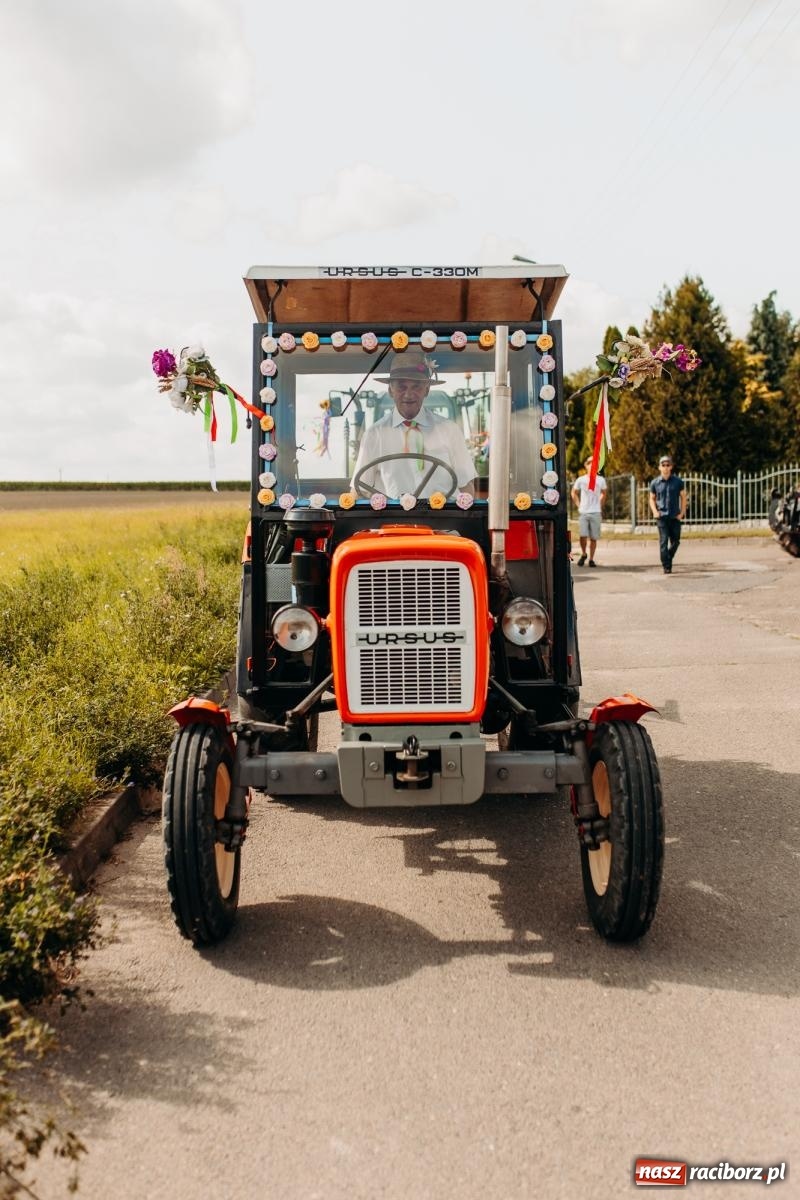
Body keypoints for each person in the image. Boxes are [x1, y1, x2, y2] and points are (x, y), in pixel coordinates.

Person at [351, 350, 476, 499]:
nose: (409, 394)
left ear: (427, 390)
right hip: (392, 520)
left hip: (444, 519)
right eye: (401, 387)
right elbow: (360, 490)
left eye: (416, 386)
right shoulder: (374, 434)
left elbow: (466, 488)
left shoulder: (450, 430)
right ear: (390, 390)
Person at [649, 454, 686, 574]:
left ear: (671, 467)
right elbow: (651, 499)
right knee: (663, 542)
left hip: (675, 517)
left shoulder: (678, 482)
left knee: (676, 542)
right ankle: (666, 566)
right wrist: (655, 511)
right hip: (662, 517)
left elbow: (684, 497)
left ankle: (668, 557)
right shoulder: (655, 483)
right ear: (659, 467)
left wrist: (682, 513)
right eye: (663, 465)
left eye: (667, 465)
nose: (665, 467)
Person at [570, 456, 607, 567]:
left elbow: (604, 493)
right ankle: (584, 554)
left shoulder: (601, 480)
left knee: (593, 538)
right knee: (583, 535)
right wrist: (578, 505)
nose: (592, 464)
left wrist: (599, 504)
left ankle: (591, 559)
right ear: (586, 465)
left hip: (595, 512)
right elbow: (573, 492)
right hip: (584, 512)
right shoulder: (581, 479)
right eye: (589, 462)